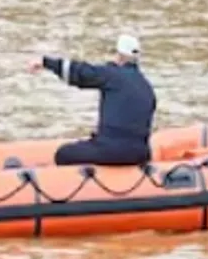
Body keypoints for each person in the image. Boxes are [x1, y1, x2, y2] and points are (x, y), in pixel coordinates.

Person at [26, 34, 157, 167]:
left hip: (112, 150)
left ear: (119, 56)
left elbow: (81, 73)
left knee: (63, 154)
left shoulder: (112, 74)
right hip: (140, 154)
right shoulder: (146, 86)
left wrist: (45, 62)